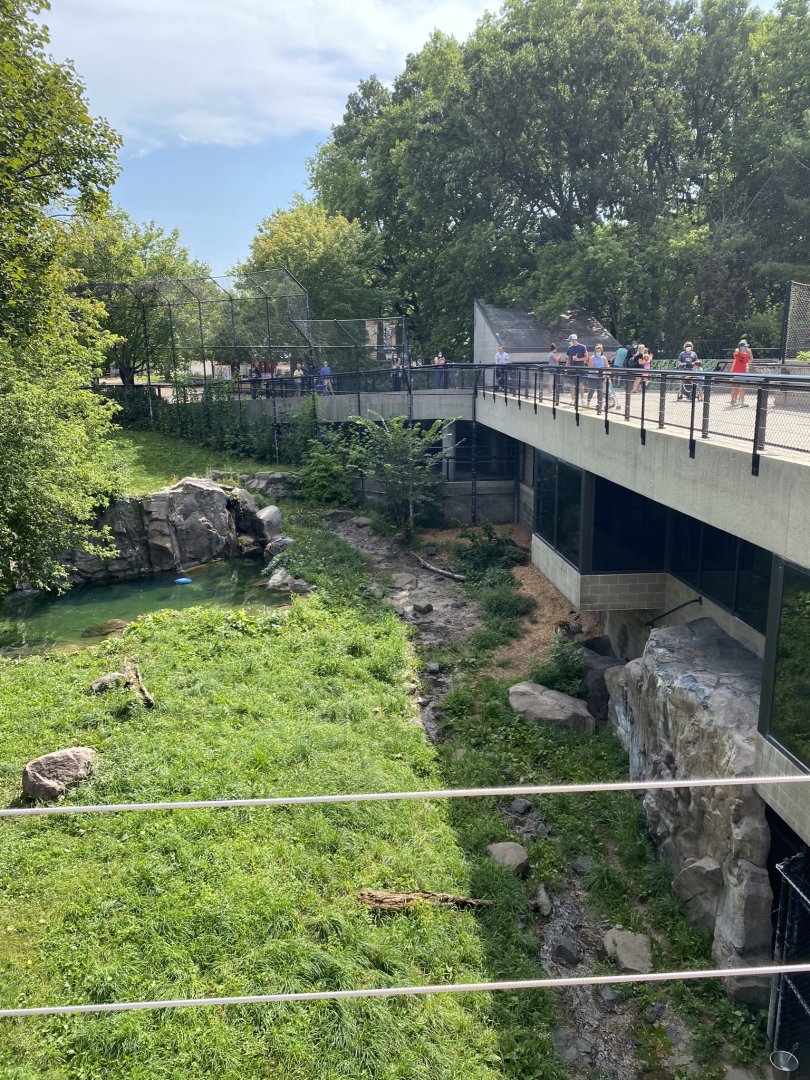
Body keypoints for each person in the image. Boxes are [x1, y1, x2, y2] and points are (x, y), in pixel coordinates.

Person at [730, 339, 752, 407]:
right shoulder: (737, 353)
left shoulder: (746, 355)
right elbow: (737, 351)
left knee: (743, 387)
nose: (745, 348)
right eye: (744, 347)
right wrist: (740, 348)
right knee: (735, 388)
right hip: (736, 372)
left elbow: (749, 360)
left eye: (746, 347)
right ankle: (733, 402)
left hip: (743, 373)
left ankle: (741, 402)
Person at [566, 333, 588, 404]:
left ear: (574, 340)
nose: (570, 341)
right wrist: (566, 367)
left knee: (581, 384)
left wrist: (578, 359)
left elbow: (587, 357)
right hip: (572, 368)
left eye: (571, 340)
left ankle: (582, 399)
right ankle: (573, 399)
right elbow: (569, 359)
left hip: (580, 368)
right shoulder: (570, 348)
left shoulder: (582, 347)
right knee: (572, 384)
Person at [586, 343, 607, 410]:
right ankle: (588, 402)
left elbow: (607, 366)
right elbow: (590, 368)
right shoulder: (592, 358)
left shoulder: (604, 358)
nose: (598, 352)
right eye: (597, 351)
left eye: (599, 351)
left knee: (600, 391)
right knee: (591, 390)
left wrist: (605, 372)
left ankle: (599, 405)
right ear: (595, 352)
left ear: (601, 351)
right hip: (593, 377)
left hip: (601, 377)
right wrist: (595, 371)